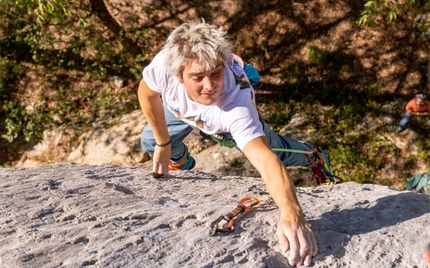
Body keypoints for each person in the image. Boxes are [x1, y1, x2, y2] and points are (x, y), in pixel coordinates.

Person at [138, 19, 331, 266]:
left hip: (225, 122)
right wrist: (164, 144)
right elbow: (147, 93)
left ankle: (313, 156)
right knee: (150, 141)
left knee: (276, 151)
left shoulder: (236, 105)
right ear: (178, 75)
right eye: (197, 77)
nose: (209, 86)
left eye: (216, 73)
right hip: (183, 112)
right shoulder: (165, 65)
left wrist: (292, 212)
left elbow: (265, 160)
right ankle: (182, 162)